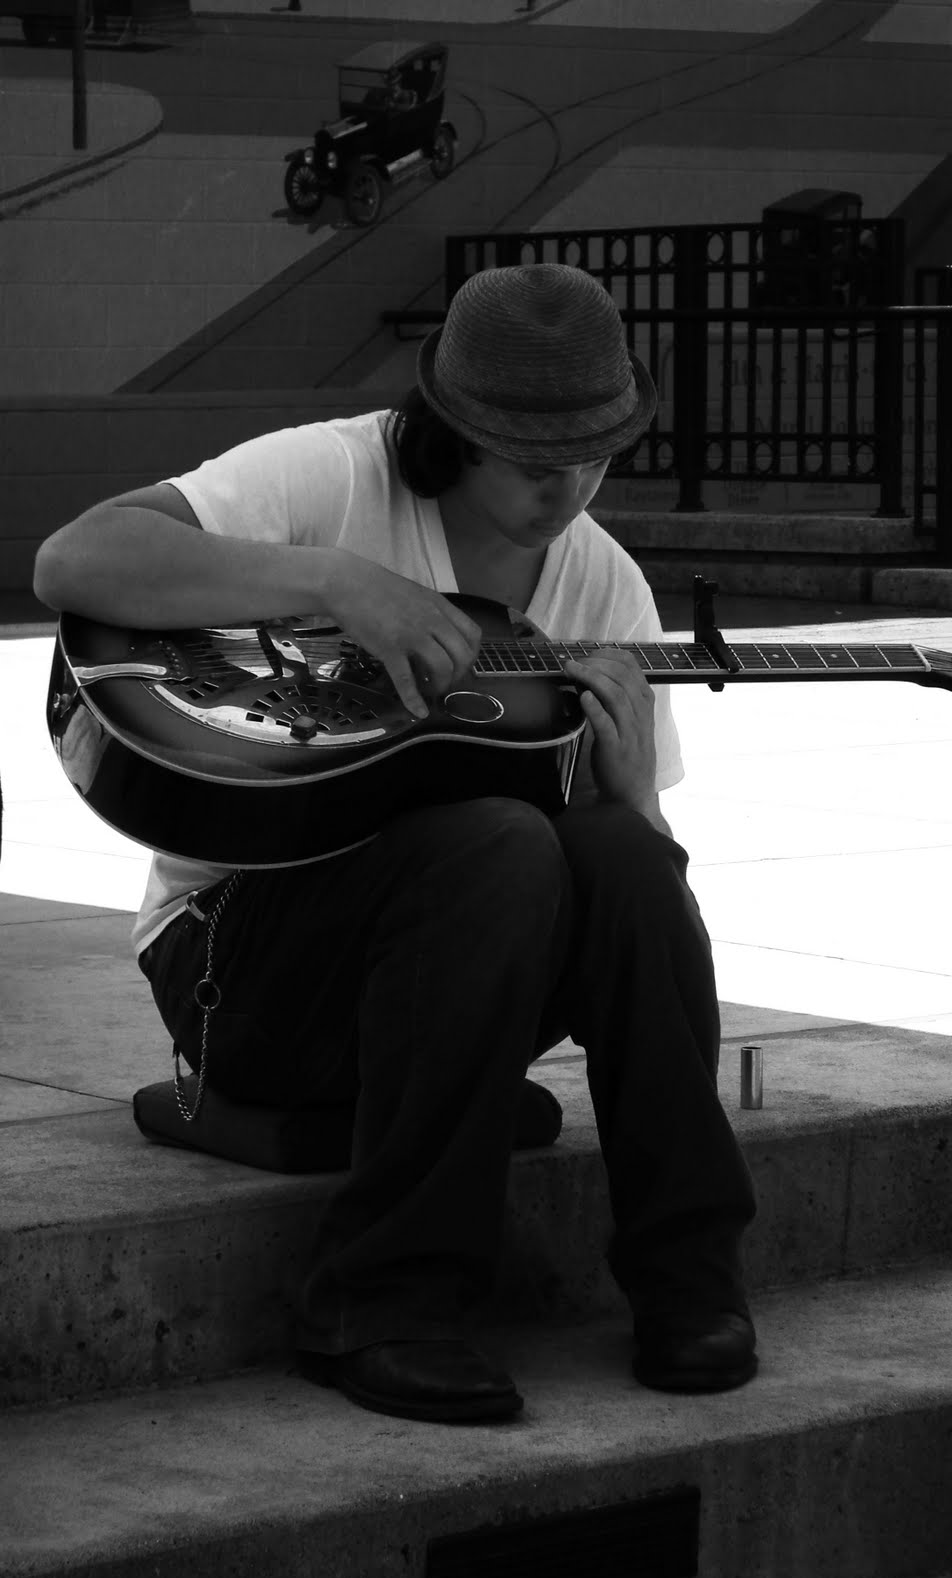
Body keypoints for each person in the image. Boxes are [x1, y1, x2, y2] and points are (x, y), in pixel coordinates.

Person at [32, 264, 758, 1425]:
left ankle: (691, 1280)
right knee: (497, 842)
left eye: (596, 454)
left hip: (459, 987)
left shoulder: (600, 582)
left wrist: (629, 798)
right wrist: (331, 580)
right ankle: (382, 1303)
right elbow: (74, 562)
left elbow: (641, 914)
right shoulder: (331, 476)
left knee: (620, 857)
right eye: (534, 462)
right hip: (246, 972)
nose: (568, 489)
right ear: (456, 433)